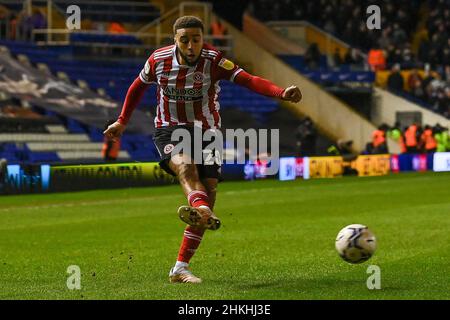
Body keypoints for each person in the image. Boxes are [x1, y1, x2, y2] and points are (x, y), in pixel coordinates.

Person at [103, 16, 302, 284]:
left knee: (209, 191)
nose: (190, 45)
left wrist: (280, 93)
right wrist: (122, 121)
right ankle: (202, 210)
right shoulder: (158, 60)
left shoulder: (214, 60)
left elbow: (249, 80)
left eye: (195, 39)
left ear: (202, 39)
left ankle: (180, 268)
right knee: (185, 167)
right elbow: (137, 87)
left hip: (207, 132)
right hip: (170, 128)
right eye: (184, 39)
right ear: (175, 39)